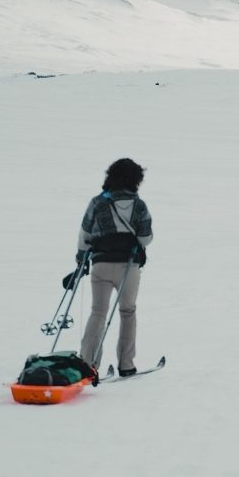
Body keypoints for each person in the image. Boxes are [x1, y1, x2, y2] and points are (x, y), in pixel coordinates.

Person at [76, 158, 154, 375]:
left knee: (98, 312)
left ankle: (87, 363)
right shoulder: (139, 205)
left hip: (100, 264)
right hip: (128, 267)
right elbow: (145, 238)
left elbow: (85, 234)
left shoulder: (97, 203)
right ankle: (126, 364)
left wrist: (81, 258)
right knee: (127, 311)